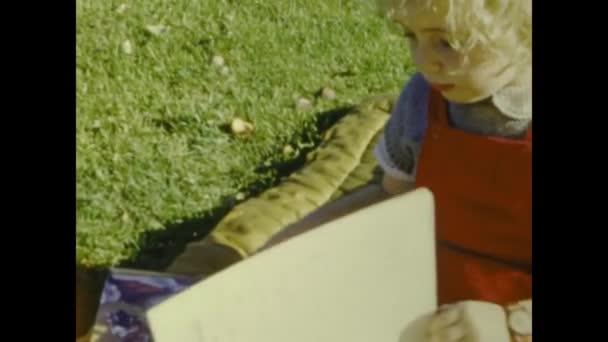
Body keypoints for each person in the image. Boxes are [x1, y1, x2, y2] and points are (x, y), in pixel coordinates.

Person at [262, 0, 532, 340]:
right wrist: (288, 246)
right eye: (411, 36)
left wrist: (511, 325)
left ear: (524, 30)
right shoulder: (422, 99)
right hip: (425, 317)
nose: (423, 61)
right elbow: (389, 196)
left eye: (447, 42)